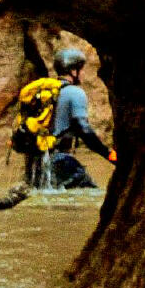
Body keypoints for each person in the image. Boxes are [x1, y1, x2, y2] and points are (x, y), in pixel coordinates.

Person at [23, 48, 116, 189]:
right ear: (73, 71)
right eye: (81, 69)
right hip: (60, 161)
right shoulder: (75, 93)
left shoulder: (44, 93)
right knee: (91, 196)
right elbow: (83, 128)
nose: (83, 74)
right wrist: (108, 154)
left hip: (34, 163)